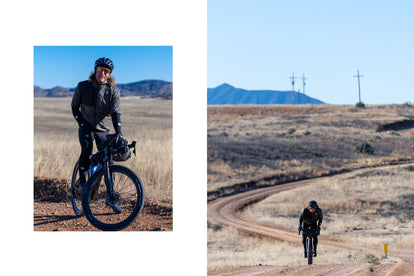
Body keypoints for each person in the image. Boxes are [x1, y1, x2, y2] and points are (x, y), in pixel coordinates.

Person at [71, 57, 123, 213]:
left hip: (103, 130)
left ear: (109, 74)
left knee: (109, 161)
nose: (103, 73)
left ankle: (111, 198)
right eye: (100, 70)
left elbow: (115, 112)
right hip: (86, 127)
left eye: (106, 71)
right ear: (95, 70)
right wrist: (81, 122)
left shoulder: (113, 90)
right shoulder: (83, 86)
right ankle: (82, 184)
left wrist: (118, 130)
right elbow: (74, 107)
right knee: (86, 150)